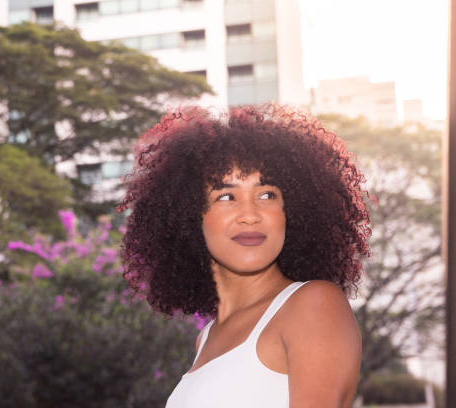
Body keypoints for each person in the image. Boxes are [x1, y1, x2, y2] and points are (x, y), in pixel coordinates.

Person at [117, 104, 371, 407]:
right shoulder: (207, 337)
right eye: (226, 197)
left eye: (267, 195)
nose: (250, 215)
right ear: (188, 217)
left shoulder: (313, 304)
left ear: (291, 212)